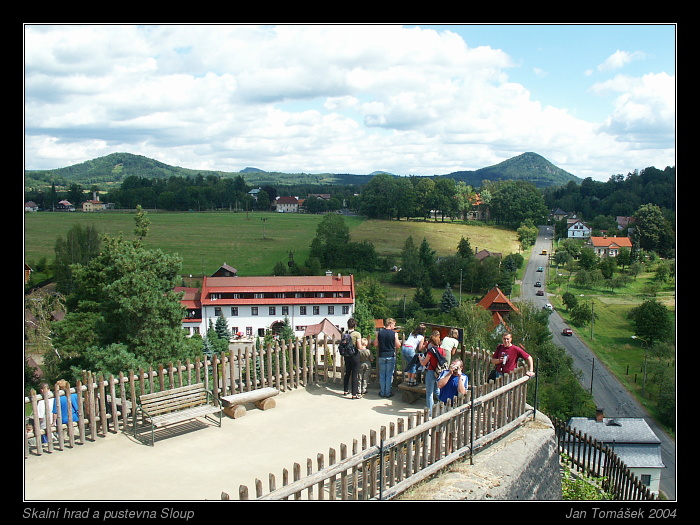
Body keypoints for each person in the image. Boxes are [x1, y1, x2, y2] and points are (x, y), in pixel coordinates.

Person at [418, 330, 446, 414]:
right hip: (439, 372)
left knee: (429, 393)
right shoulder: (442, 350)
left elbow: (424, 363)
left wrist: (420, 358)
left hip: (431, 371)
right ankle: (443, 406)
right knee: (437, 390)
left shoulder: (431, 351)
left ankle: (430, 411)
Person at [374, 318, 400, 398]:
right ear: (390, 324)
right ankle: (387, 393)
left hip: (382, 355)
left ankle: (382, 392)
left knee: (382, 375)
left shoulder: (379, 333)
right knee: (389, 375)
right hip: (390, 355)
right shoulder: (394, 334)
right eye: (394, 325)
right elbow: (398, 345)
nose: (394, 326)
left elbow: (375, 344)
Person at [342, 318, 362, 399]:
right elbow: (359, 346)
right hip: (354, 355)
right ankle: (354, 394)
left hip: (346, 355)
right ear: (355, 325)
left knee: (347, 373)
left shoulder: (344, 333)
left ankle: (345, 390)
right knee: (354, 374)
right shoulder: (357, 334)